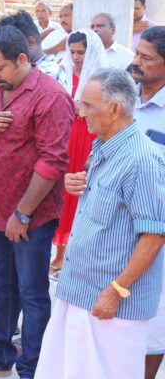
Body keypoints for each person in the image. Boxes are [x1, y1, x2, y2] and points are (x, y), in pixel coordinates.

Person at [0, 26, 73, 379]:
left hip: (30, 219)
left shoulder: (51, 96)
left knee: (33, 293)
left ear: (23, 59)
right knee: (3, 286)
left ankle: (32, 367)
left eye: (1, 69)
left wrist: (22, 214)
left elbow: (53, 161)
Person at [36, 69, 165, 379]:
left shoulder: (142, 160)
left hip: (109, 305)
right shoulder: (104, 146)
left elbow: (155, 235)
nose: (81, 113)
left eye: (88, 106)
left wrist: (116, 290)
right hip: (80, 292)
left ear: (114, 108)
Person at [50, 30, 106, 277]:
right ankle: (60, 255)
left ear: (91, 50)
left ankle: (80, 256)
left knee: (85, 191)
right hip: (66, 137)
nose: (76, 57)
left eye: (81, 52)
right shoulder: (61, 72)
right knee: (64, 193)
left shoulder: (101, 77)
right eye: (72, 52)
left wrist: (83, 107)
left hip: (90, 137)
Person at [131, 27, 165, 378]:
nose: (136, 62)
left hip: (157, 237)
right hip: (117, 234)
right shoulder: (123, 98)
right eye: (137, 53)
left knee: (153, 326)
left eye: (146, 58)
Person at [0, 11, 71, 92]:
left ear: (30, 43)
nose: (5, 54)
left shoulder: (48, 75)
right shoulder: (26, 71)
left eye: (9, 47)